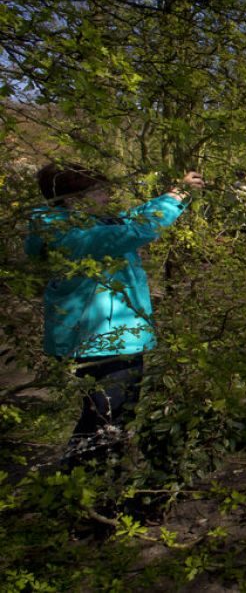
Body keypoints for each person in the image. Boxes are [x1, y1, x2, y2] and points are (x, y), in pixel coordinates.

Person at [25, 163, 205, 465]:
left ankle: (92, 482)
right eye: (98, 190)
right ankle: (82, 483)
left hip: (112, 339)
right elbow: (138, 230)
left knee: (111, 413)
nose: (107, 196)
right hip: (104, 341)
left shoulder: (85, 224)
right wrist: (176, 196)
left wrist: (175, 193)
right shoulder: (70, 234)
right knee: (107, 417)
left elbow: (131, 218)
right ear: (73, 198)